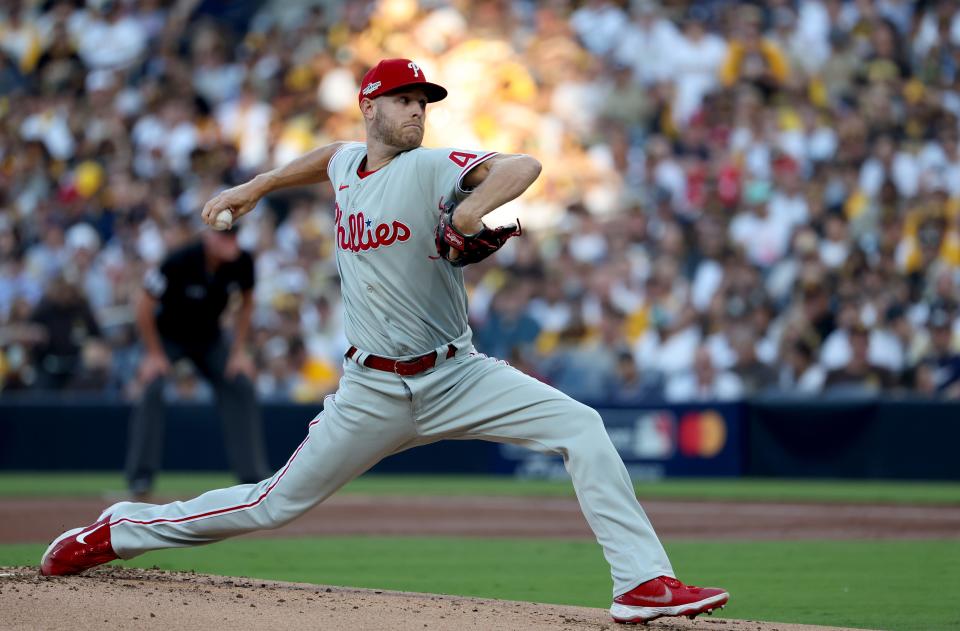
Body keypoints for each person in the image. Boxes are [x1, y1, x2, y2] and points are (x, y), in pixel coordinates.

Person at [39, 58, 728, 625]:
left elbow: (522, 165)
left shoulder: (429, 167)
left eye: (422, 102)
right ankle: (118, 528)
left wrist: (470, 207)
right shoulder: (348, 166)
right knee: (272, 502)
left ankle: (640, 583)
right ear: (369, 106)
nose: (416, 111)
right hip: (371, 389)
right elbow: (327, 160)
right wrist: (258, 185)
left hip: (459, 375)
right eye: (403, 100)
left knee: (582, 426)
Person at [123, 227, 271, 499]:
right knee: (152, 387)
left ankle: (252, 479)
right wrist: (154, 354)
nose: (230, 242)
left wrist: (239, 351)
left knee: (241, 385)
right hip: (170, 338)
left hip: (209, 339)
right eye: (224, 236)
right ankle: (140, 477)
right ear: (208, 237)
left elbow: (247, 303)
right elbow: (143, 306)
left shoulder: (242, 262)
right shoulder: (179, 260)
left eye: (233, 236)